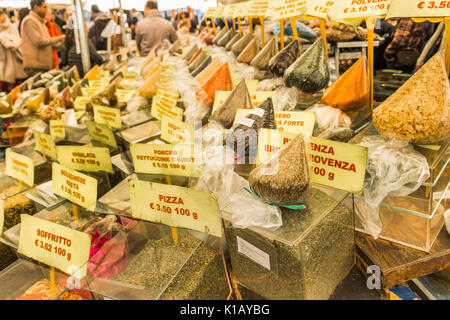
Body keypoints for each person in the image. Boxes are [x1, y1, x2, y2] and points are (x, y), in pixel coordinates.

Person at [20, 0, 64, 77]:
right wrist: (59, 38)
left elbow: (48, 42)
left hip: (43, 66)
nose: (46, 10)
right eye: (44, 7)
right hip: (35, 67)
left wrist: (63, 44)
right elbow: (39, 41)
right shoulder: (29, 20)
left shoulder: (41, 22)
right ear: (36, 7)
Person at [0, 8, 27, 92]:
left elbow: (18, 40)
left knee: (15, 79)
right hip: (2, 57)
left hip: (13, 55)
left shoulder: (11, 26)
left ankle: (15, 95)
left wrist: (6, 39)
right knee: (3, 80)